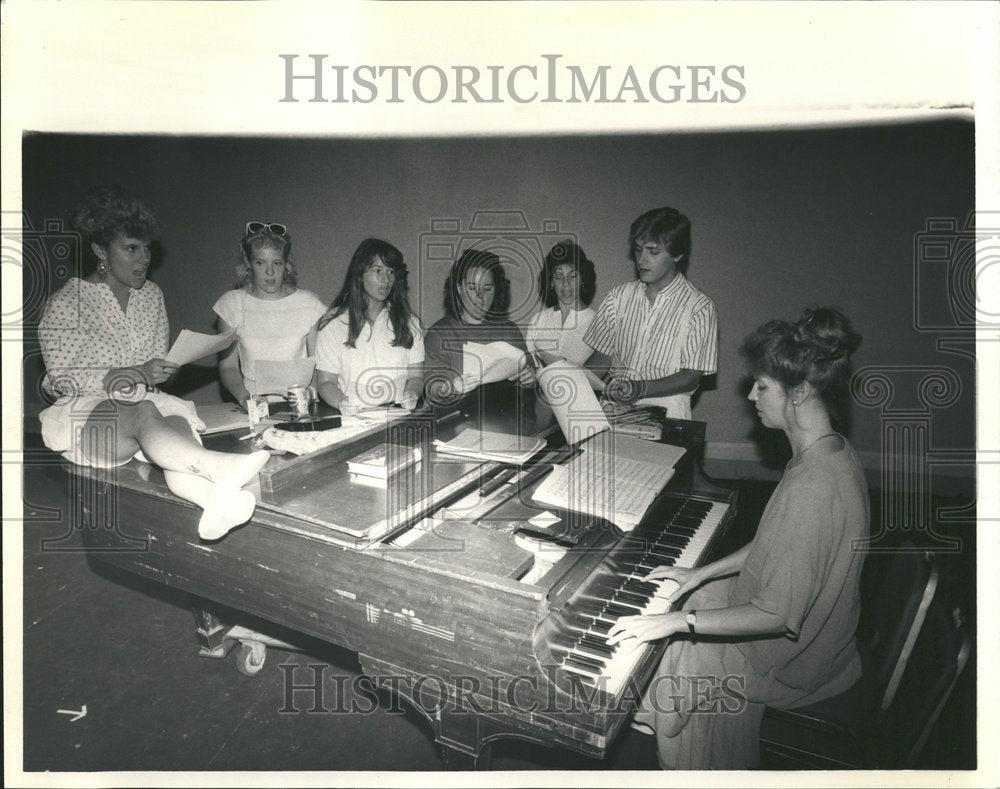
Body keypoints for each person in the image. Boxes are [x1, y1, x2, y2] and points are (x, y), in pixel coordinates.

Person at [606, 306, 867, 769]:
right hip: (825, 638)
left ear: (801, 391)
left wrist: (676, 625)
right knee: (686, 596)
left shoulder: (814, 487)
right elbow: (773, 542)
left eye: (762, 386)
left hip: (795, 666)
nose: (751, 394)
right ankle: (666, 719)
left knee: (677, 650)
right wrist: (701, 571)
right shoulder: (829, 451)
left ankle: (696, 761)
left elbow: (777, 615)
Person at [38, 186, 269, 541]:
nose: (144, 258)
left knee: (177, 431)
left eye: (147, 248)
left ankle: (213, 503)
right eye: (131, 248)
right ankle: (219, 468)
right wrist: (139, 373)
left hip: (146, 401)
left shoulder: (152, 296)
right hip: (89, 413)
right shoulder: (67, 303)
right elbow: (65, 380)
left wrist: (159, 368)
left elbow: (150, 367)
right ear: (100, 249)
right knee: (146, 410)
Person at [583, 206, 717, 419]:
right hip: (613, 410)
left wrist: (640, 388)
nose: (642, 260)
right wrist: (570, 379)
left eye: (653, 251)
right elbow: (602, 357)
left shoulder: (699, 307)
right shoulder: (617, 297)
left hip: (667, 414)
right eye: (638, 249)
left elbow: (691, 376)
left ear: (678, 254)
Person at [214, 222, 326, 406]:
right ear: (248, 263)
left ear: (287, 264)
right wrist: (244, 397)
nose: (270, 272)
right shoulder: (230, 305)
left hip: (301, 406)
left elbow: (319, 365)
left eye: (277, 263)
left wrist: (311, 392)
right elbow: (228, 367)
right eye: (260, 263)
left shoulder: (310, 305)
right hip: (253, 405)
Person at [315, 238, 424, 414]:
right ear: (359, 274)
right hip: (353, 418)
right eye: (377, 270)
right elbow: (326, 382)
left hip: (397, 415)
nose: (385, 279)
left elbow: (416, 377)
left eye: (390, 272)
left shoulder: (409, 322)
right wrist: (342, 403)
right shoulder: (334, 323)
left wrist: (412, 393)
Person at [424, 248, 536, 405]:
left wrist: (529, 378)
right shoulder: (440, 334)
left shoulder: (509, 330)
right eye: (471, 288)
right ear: (458, 288)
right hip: (458, 419)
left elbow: (530, 371)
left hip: (504, 416)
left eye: (487, 289)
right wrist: (451, 387)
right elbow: (431, 387)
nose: (480, 297)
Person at [526, 240, 597, 367]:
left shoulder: (598, 324)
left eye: (572, 276)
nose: (565, 284)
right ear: (551, 282)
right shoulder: (538, 320)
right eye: (558, 276)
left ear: (582, 279)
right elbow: (530, 369)